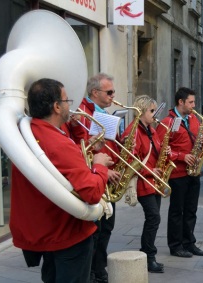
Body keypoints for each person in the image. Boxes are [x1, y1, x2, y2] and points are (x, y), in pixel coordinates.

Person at [10, 78, 113, 283]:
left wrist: (74, 130)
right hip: (68, 233)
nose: (70, 105)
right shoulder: (57, 143)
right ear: (57, 107)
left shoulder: (28, 132)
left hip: (47, 231)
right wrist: (100, 165)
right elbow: (91, 193)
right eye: (67, 100)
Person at [68, 73, 121, 283]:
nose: (112, 96)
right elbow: (80, 149)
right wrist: (103, 169)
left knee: (107, 227)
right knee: (95, 230)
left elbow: (110, 144)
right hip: (95, 177)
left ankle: (100, 268)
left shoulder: (103, 112)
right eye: (109, 92)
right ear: (94, 92)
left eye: (113, 92)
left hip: (108, 177)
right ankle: (90, 273)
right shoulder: (82, 113)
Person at [156, 87, 203, 258]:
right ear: (181, 102)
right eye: (191, 102)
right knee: (177, 211)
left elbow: (199, 140)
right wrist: (181, 156)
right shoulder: (167, 122)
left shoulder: (194, 119)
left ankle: (189, 242)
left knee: (191, 210)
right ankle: (175, 245)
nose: (194, 105)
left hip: (193, 172)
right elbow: (160, 149)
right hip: (177, 173)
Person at [121, 95, 167, 273]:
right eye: (152, 111)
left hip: (154, 181)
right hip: (143, 182)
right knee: (154, 217)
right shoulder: (133, 131)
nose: (155, 115)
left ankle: (148, 254)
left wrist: (166, 151)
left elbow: (155, 151)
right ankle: (148, 256)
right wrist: (149, 171)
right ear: (140, 111)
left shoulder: (151, 129)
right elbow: (130, 160)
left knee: (153, 219)